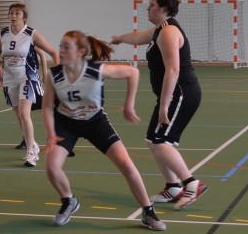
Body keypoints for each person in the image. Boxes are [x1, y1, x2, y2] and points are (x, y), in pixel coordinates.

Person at [42, 30, 166, 230]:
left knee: (127, 165)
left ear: (80, 51)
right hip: (66, 123)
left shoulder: (96, 71)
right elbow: (47, 107)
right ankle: (68, 201)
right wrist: (51, 134)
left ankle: (148, 212)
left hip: (95, 122)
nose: (61, 51)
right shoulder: (53, 75)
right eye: (60, 46)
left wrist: (129, 106)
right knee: (51, 167)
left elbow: (133, 73)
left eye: (66, 47)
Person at [111, 0, 206, 210]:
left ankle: (192, 184)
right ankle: (173, 188)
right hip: (174, 95)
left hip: (181, 94)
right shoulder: (159, 29)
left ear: (163, 8)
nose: (148, 7)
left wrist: (164, 106)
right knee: (153, 140)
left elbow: (173, 70)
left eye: (152, 4)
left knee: (160, 142)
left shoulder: (169, 32)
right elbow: (137, 37)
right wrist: (119, 39)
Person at [0, 3, 59, 167]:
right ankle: (32, 143)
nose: (13, 16)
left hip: (27, 76)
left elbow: (52, 52)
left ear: (24, 17)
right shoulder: (2, 34)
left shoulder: (31, 33)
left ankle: (31, 153)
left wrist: (58, 73)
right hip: (9, 78)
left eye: (17, 13)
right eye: (11, 13)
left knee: (24, 113)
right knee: (18, 115)